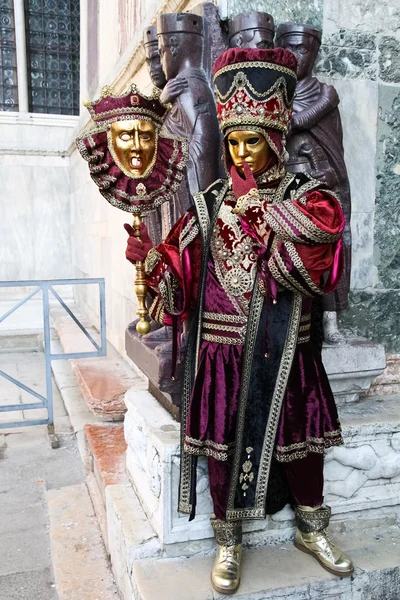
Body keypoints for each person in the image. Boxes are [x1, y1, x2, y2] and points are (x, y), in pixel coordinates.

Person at [125, 47, 354, 595]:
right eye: (233, 141)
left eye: (253, 141)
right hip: (224, 352)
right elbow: (183, 272)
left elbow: (321, 256)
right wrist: (152, 262)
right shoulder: (208, 202)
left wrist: (266, 214)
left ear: (275, 139)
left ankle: (311, 527)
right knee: (225, 443)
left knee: (302, 442)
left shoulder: (306, 197)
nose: (242, 154)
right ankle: (229, 540)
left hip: (288, 349)